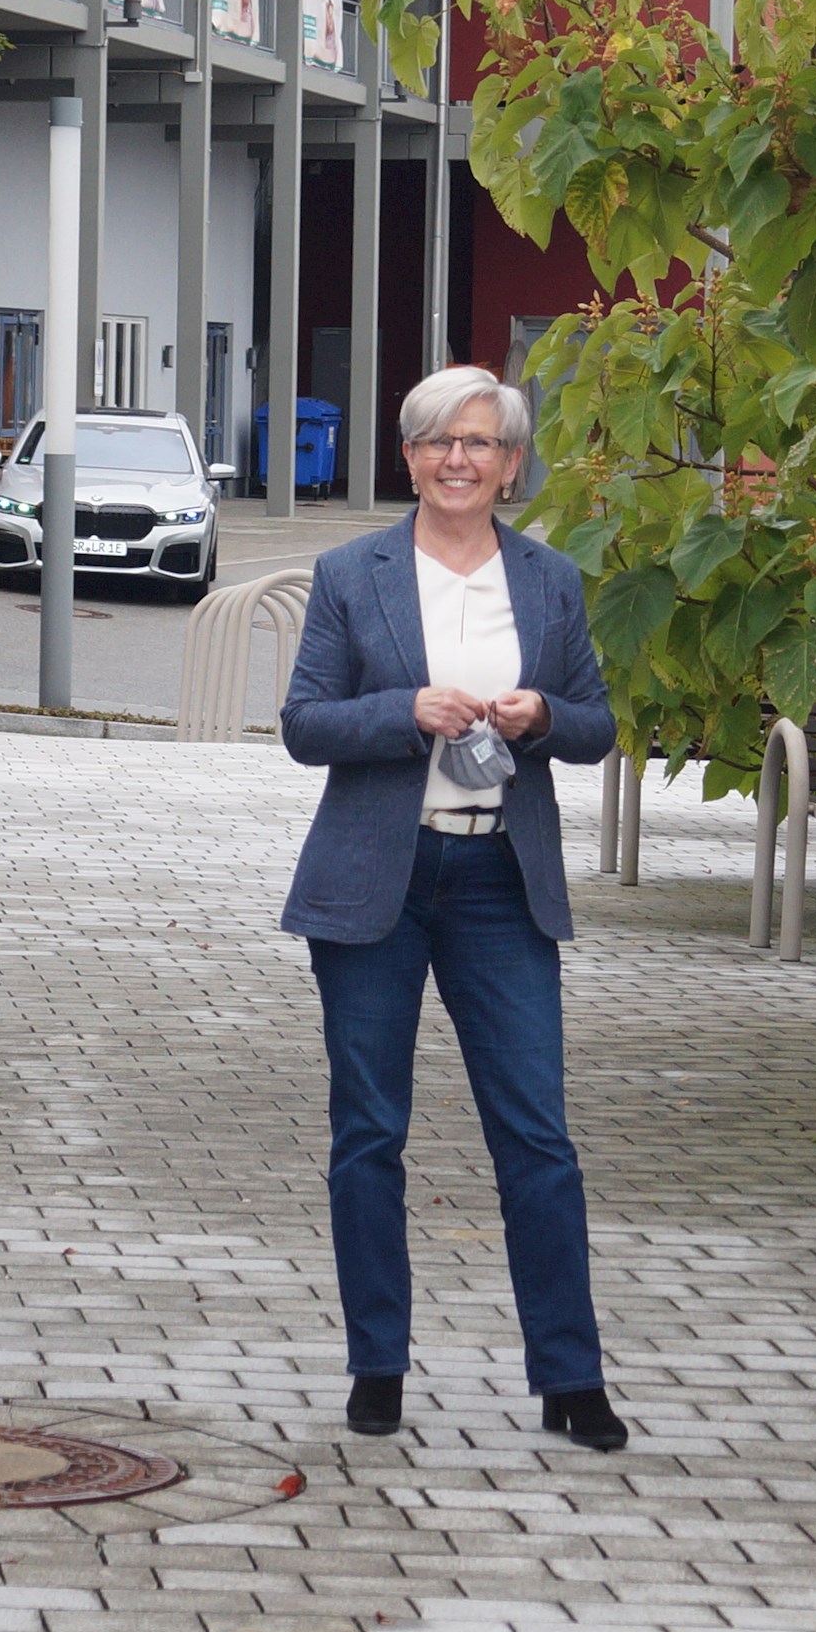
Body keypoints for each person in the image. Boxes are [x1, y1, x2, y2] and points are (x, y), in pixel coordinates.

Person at [280, 366, 626, 1448]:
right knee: (368, 1135)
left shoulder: (551, 579)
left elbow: (597, 725)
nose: (459, 461)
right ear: (409, 455)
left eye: (480, 444)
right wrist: (403, 710)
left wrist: (539, 717)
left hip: (498, 885)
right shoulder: (352, 572)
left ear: (513, 464)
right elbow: (303, 725)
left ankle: (571, 1379)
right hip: (378, 879)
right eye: (437, 441)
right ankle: (376, 1366)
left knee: (536, 1136)